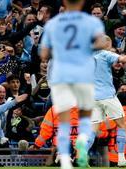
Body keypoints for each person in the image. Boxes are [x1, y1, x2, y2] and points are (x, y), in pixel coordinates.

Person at [40, 0, 105, 168]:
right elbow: (101, 43)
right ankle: (81, 148)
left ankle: (64, 157)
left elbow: (44, 53)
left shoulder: (53, 25)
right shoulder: (91, 22)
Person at [87, 35, 126, 167]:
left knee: (93, 130)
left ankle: (79, 156)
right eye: (108, 42)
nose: (110, 45)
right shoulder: (105, 54)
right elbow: (125, 59)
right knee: (122, 125)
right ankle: (121, 158)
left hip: (92, 98)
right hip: (107, 96)